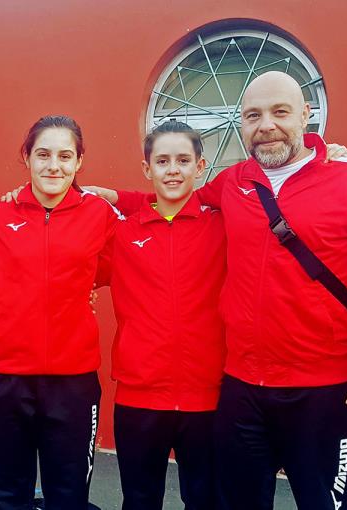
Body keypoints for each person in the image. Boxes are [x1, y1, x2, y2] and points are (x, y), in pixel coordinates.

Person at [106, 71, 347, 510]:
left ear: (307, 115)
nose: (266, 124)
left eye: (280, 111)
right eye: (253, 115)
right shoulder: (234, 182)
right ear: (242, 124)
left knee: (322, 503)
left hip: (323, 390)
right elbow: (174, 197)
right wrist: (110, 196)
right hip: (242, 389)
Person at [0, 115, 121, 510]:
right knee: (7, 496)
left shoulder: (100, 216)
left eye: (64, 155)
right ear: (26, 157)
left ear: (79, 162)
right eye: (42, 154)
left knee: (69, 497)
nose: (53, 165)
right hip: (3, 377)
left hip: (71, 382)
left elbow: (108, 268)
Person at [96, 120, 225, 510]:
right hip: (140, 396)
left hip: (208, 397)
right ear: (147, 168)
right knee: (139, 499)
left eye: (183, 160)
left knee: (205, 500)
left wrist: (326, 155)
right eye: (163, 160)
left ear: (200, 167)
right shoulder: (120, 232)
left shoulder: (223, 225)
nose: (173, 170)